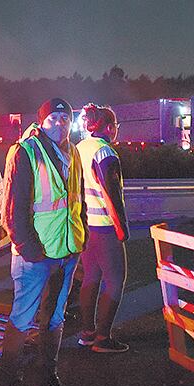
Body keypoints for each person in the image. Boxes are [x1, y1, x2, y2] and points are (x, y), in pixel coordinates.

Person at [0, 98, 87, 386]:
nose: (61, 123)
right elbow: (14, 209)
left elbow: (78, 199)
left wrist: (82, 233)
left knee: (55, 318)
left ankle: (47, 383)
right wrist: (29, 249)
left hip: (67, 251)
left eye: (66, 118)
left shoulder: (73, 152)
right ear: (42, 121)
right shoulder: (26, 151)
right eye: (54, 118)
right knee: (22, 319)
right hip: (35, 256)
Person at [75, 104, 131, 353]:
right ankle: (103, 338)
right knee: (115, 281)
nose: (116, 130)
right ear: (109, 128)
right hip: (105, 228)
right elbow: (112, 193)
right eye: (116, 126)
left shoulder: (79, 148)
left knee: (90, 277)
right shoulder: (105, 152)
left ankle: (87, 333)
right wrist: (122, 228)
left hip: (86, 225)